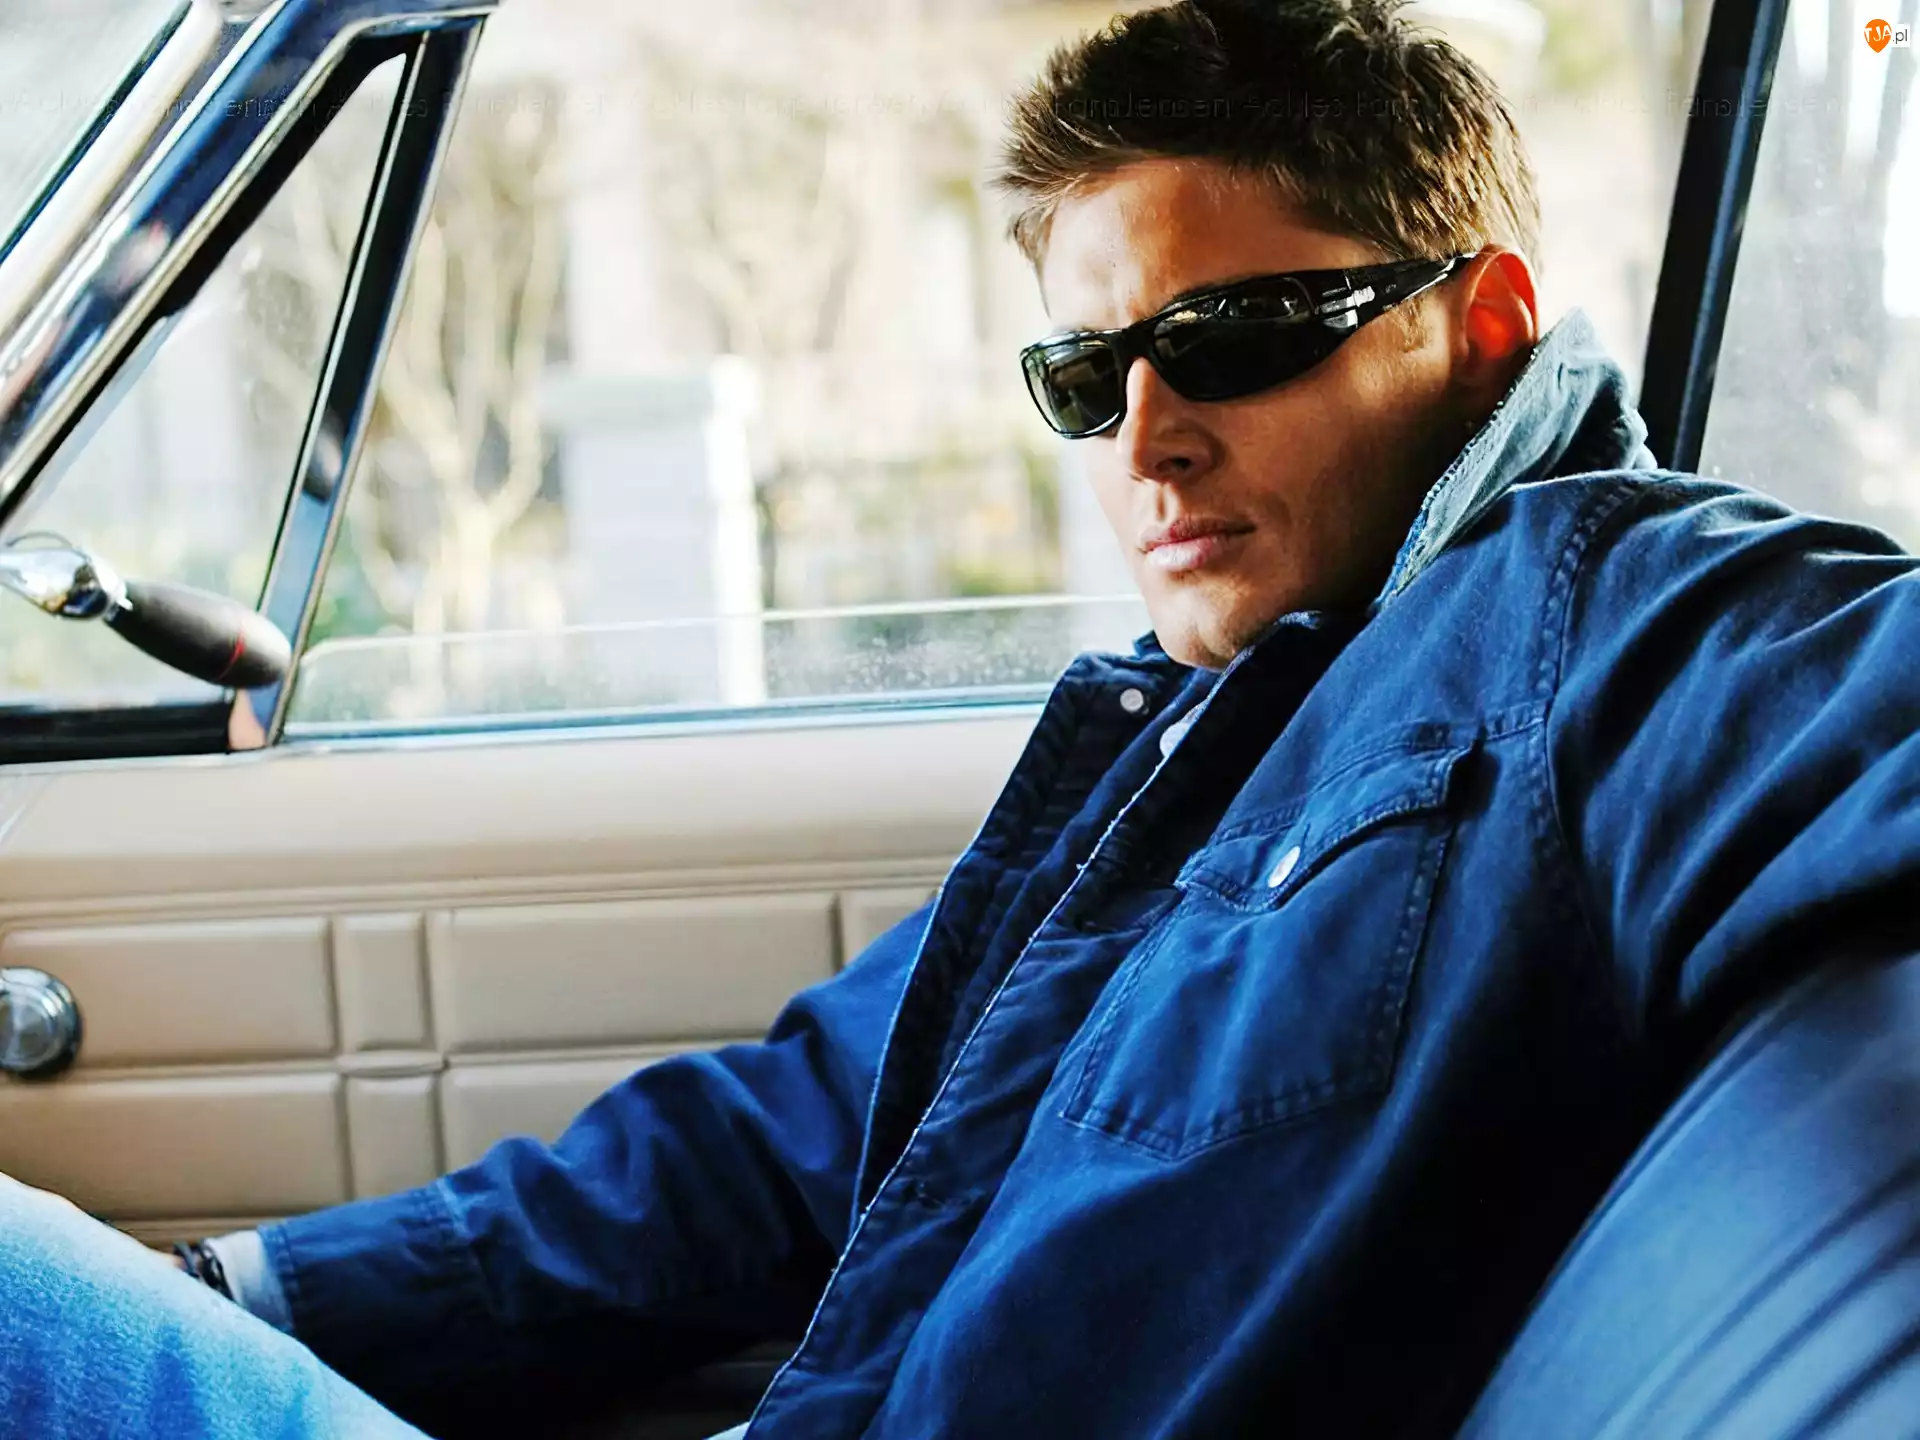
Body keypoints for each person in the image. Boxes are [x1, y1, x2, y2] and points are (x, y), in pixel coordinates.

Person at [6, 0, 1920, 1435]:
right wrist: (245, 1292)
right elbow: (794, 1128)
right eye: (1089, 375)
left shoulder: (1598, 609)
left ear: (1482, 325)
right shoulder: (1201, 735)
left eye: (1232, 342)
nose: (1149, 439)